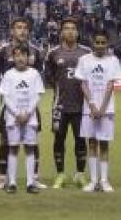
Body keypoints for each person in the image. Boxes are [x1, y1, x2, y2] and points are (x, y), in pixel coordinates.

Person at [0, 17, 45, 191]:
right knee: (5, 141)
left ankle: (33, 178)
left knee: (32, 142)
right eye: (18, 27)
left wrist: (30, 109)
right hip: (9, 106)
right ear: (12, 31)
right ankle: (3, 178)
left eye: (25, 28)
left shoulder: (36, 52)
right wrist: (8, 101)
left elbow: (38, 76)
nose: (22, 31)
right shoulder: (2, 51)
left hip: (30, 107)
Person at [44, 16, 90, 189]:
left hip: (81, 106)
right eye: (67, 28)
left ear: (77, 32)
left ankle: (80, 174)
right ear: (62, 32)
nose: (70, 31)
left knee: (80, 141)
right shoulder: (53, 53)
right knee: (59, 140)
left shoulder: (86, 52)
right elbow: (48, 76)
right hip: (60, 106)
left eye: (73, 28)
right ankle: (60, 174)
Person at [74, 30, 121, 193]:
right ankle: (93, 181)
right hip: (89, 109)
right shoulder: (84, 60)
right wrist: (93, 105)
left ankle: (104, 180)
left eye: (103, 43)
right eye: (97, 42)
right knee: (92, 143)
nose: (100, 46)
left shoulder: (113, 61)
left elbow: (110, 85)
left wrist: (101, 108)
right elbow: (83, 85)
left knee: (104, 144)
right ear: (92, 43)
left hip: (106, 110)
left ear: (108, 43)